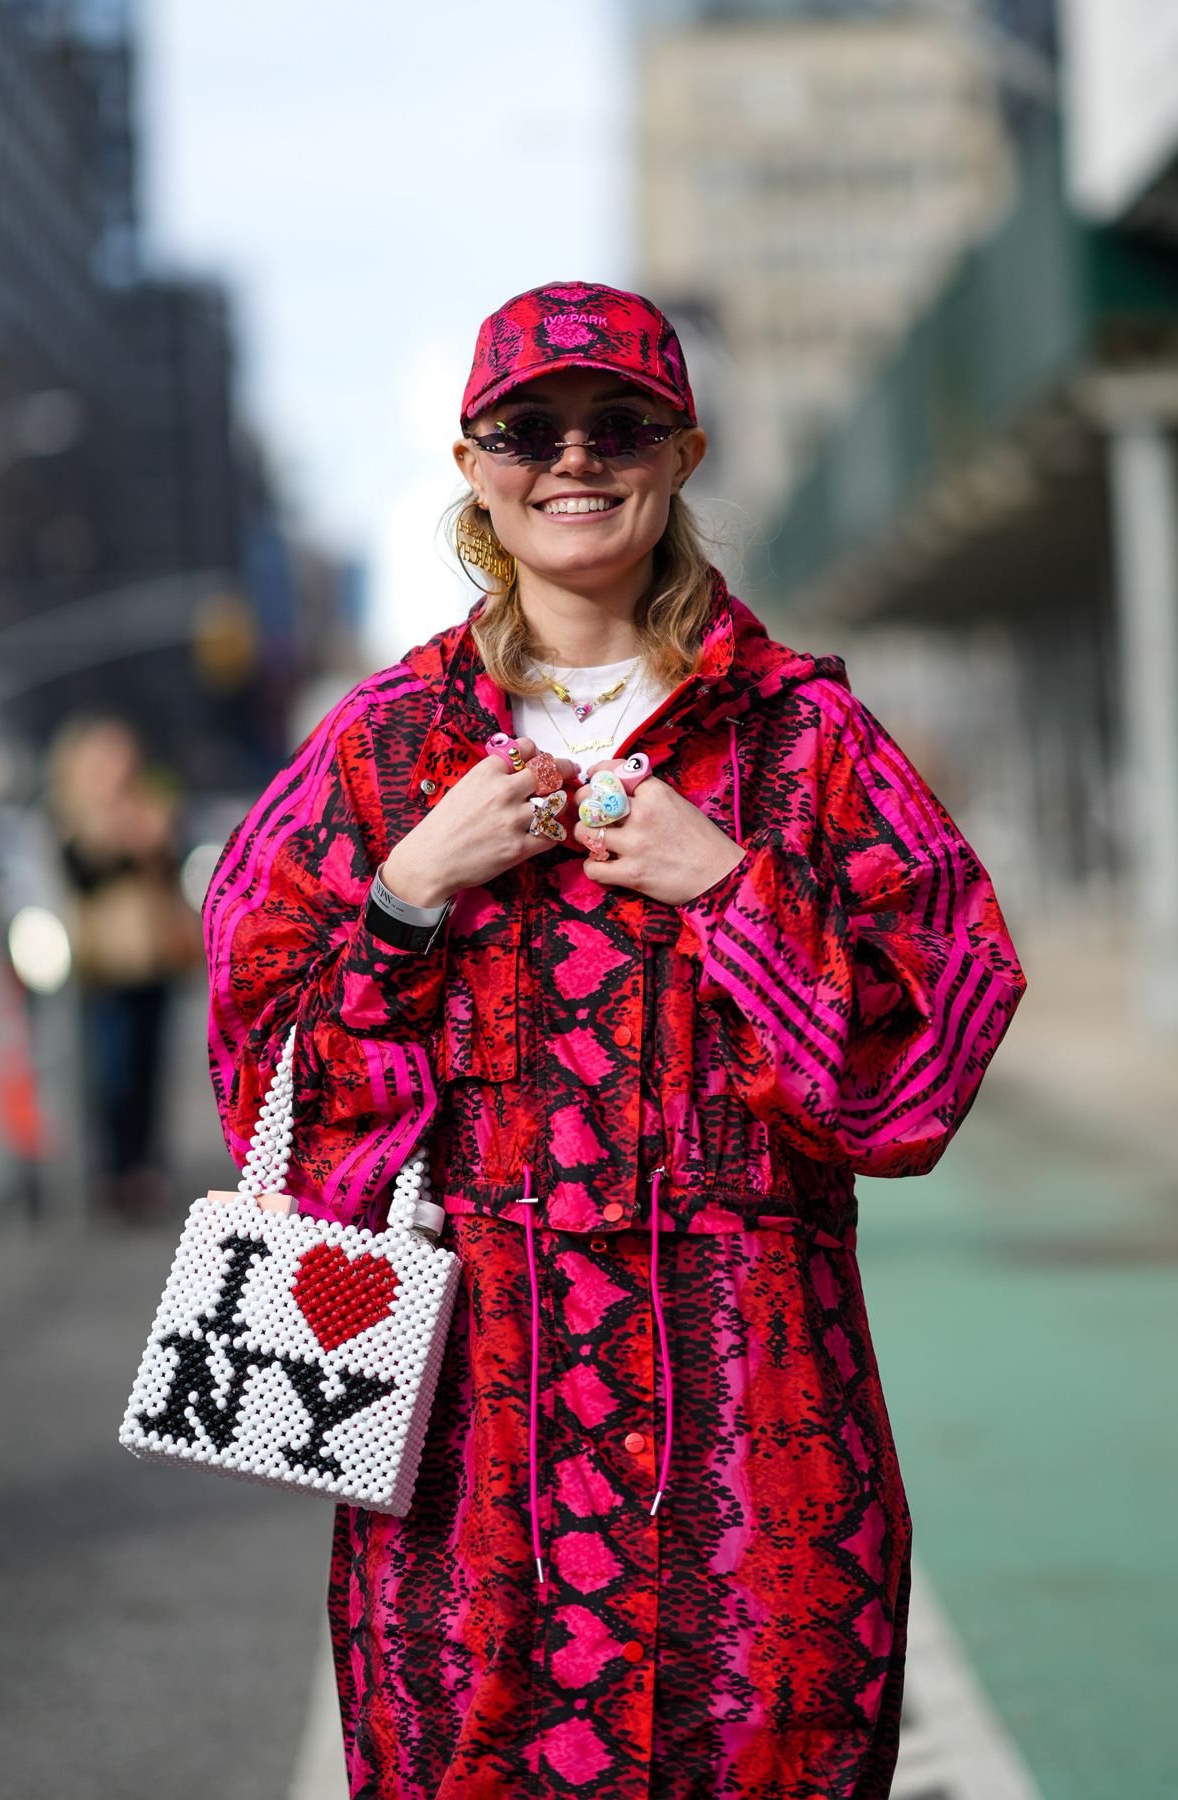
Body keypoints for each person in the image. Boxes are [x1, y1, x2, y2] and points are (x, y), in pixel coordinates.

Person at [204, 281, 1026, 1799]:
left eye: (620, 423)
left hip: (757, 1418)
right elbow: (270, 1094)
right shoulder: (382, 753)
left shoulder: (803, 740)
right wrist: (404, 896)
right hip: (469, 1426)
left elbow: (929, 1060)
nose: (574, 459)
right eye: (531, 428)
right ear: (474, 462)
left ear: (683, 452)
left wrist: (733, 891)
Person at [49, 716, 199, 1218]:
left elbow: (173, 865)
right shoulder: (76, 813)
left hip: (152, 958)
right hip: (104, 964)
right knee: (110, 1072)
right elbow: (80, 874)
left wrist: (154, 835)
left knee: (149, 1067)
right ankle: (112, 1166)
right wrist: (120, 838)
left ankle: (144, 1164)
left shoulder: (151, 804)